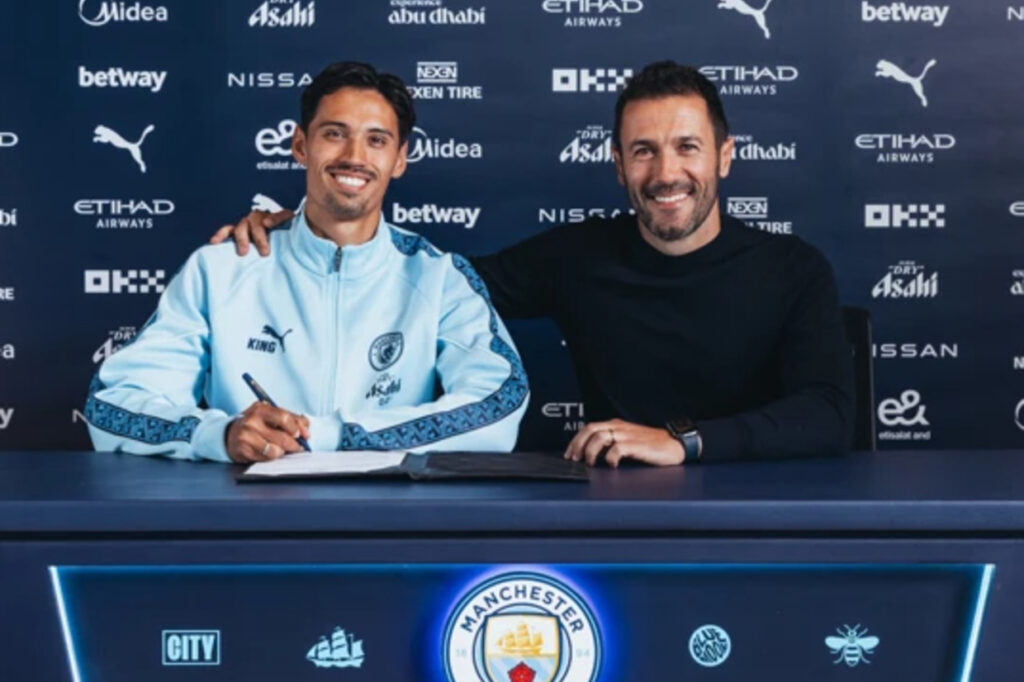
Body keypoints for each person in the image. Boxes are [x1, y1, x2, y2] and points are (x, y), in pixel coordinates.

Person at [211, 61, 853, 467]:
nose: (666, 173)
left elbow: (828, 414)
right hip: (620, 509)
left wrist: (682, 442)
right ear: (618, 165)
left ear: (725, 156)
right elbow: (422, 282)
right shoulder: (577, 257)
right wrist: (309, 231)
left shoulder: (793, 268)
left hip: (769, 512)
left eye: (687, 147)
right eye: (643, 151)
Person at [86, 62, 528, 463]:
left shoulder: (439, 278)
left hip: (391, 517)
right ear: (300, 145)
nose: (354, 156)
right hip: (247, 515)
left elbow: (498, 404)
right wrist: (219, 435)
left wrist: (333, 437)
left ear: (399, 160)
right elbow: (113, 403)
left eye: (376, 140)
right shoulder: (220, 270)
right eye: (335, 134)